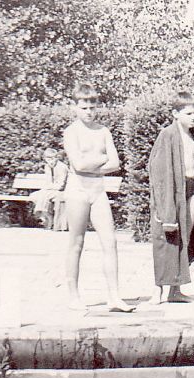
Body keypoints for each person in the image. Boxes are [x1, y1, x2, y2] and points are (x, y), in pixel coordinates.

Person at [61, 83, 134, 312]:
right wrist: (100, 161)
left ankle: (114, 297)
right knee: (77, 243)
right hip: (77, 190)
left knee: (110, 242)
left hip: (97, 190)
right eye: (84, 107)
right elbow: (78, 164)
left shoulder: (103, 131)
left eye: (92, 107)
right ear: (75, 107)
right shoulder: (71, 132)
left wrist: (93, 165)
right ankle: (73, 296)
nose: (89, 111)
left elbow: (115, 163)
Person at [147, 92, 194, 304]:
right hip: (175, 189)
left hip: (193, 189)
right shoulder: (167, 135)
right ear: (176, 114)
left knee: (184, 237)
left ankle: (175, 290)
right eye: (189, 113)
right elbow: (158, 169)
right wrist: (165, 203)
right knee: (167, 237)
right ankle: (158, 289)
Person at [29, 147, 68, 230]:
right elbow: (48, 182)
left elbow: (60, 186)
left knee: (44, 194)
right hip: (51, 191)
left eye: (52, 158)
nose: (50, 160)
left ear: (56, 158)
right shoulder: (47, 167)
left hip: (63, 191)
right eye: (48, 158)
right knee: (33, 195)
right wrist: (48, 187)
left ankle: (42, 215)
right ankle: (47, 215)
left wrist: (49, 187)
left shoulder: (62, 167)